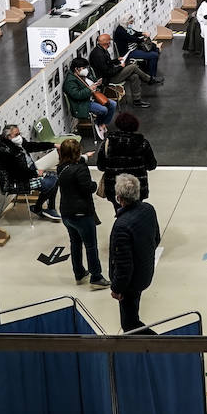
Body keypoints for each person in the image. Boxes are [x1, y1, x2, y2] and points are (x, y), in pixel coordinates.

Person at [108, 173, 161, 333]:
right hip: (145, 271)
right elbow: (156, 239)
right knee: (132, 318)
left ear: (119, 198)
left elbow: (124, 266)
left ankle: (162, 348)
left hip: (129, 284)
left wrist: (116, 289)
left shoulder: (121, 226)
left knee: (129, 324)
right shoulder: (148, 209)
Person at [56, 139, 108, 288]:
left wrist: (84, 157)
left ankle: (79, 272)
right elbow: (88, 187)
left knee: (75, 243)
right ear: (76, 153)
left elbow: (75, 162)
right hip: (82, 214)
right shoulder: (80, 169)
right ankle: (96, 276)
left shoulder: (61, 168)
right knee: (91, 246)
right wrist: (94, 184)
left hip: (66, 213)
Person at [0, 124, 60, 221]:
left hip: (29, 171)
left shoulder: (17, 142)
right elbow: (17, 173)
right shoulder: (3, 152)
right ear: (7, 137)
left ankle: (51, 208)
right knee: (50, 182)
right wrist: (35, 174)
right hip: (17, 181)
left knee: (55, 179)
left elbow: (32, 146)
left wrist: (53, 145)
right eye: (16, 135)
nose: (19, 137)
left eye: (19, 133)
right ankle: (37, 208)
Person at [95, 112, 158, 208]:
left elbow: (101, 166)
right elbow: (152, 165)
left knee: (120, 213)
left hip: (115, 187)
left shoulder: (108, 143)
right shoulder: (142, 143)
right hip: (137, 188)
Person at [90, 33, 154, 108]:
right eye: (109, 41)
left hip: (111, 74)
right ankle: (149, 80)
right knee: (133, 67)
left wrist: (116, 60)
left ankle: (137, 101)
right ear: (107, 42)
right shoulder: (98, 55)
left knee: (134, 76)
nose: (110, 42)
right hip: (108, 79)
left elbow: (108, 63)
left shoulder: (102, 50)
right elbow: (107, 72)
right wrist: (120, 67)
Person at [64, 57, 117, 139]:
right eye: (83, 68)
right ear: (76, 69)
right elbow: (77, 95)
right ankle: (98, 123)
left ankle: (102, 124)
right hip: (82, 104)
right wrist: (89, 89)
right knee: (104, 110)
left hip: (93, 98)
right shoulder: (70, 81)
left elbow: (93, 81)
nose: (86, 70)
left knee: (113, 104)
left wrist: (98, 82)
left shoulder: (84, 74)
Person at [113, 14, 162, 81]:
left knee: (155, 48)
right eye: (131, 22)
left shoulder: (126, 27)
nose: (131, 24)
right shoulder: (120, 31)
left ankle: (148, 70)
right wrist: (142, 40)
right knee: (154, 55)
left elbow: (134, 32)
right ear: (126, 22)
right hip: (129, 52)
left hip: (134, 48)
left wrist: (142, 33)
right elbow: (131, 38)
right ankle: (151, 76)